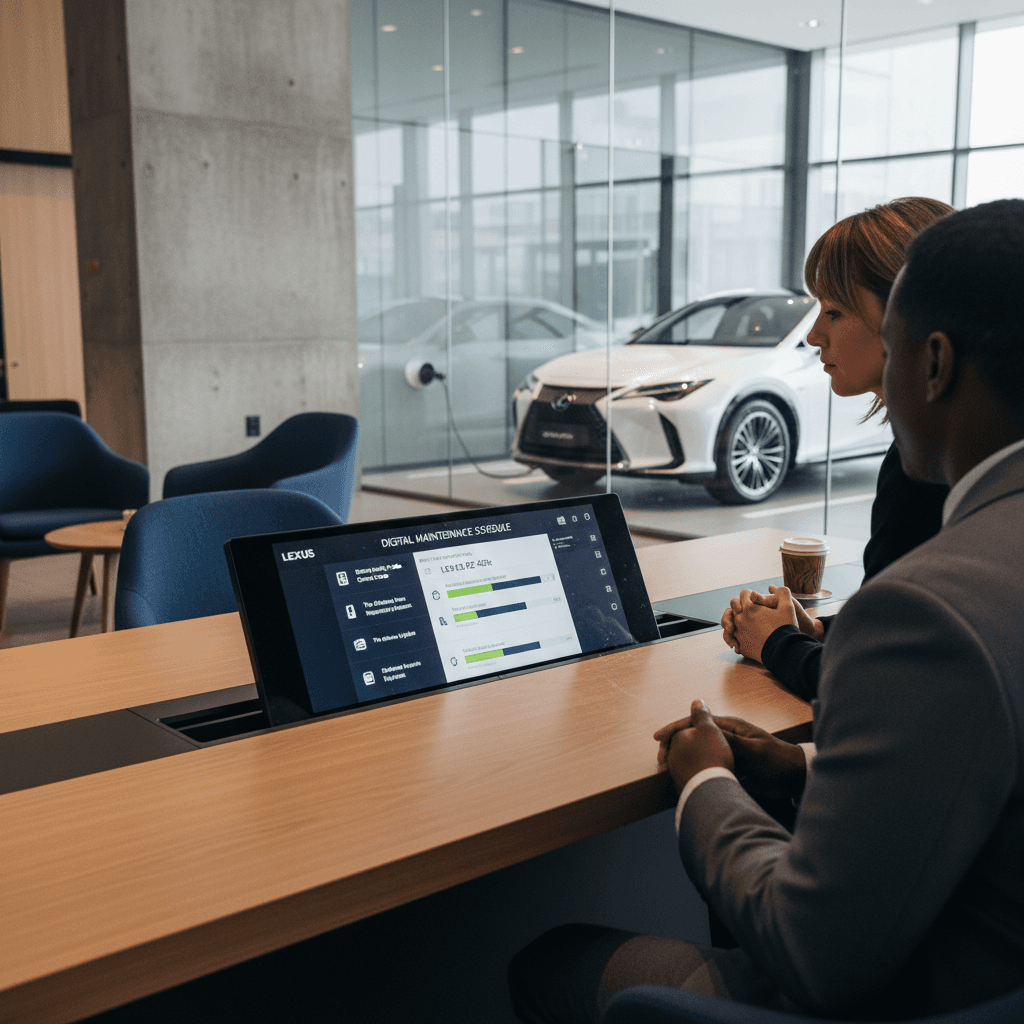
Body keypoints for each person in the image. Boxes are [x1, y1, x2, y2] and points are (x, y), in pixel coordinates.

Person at [508, 199, 1024, 1022]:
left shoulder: (926, 611)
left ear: (933, 363)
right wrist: (807, 766)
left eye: (884, 345)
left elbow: (813, 953)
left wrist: (706, 778)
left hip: (932, 987)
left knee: (550, 962)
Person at [722, 198, 952, 699]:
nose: (813, 335)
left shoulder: (927, 468)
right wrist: (828, 631)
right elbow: (916, 635)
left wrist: (778, 642)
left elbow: (876, 684)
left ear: (903, 317)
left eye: (834, 311)